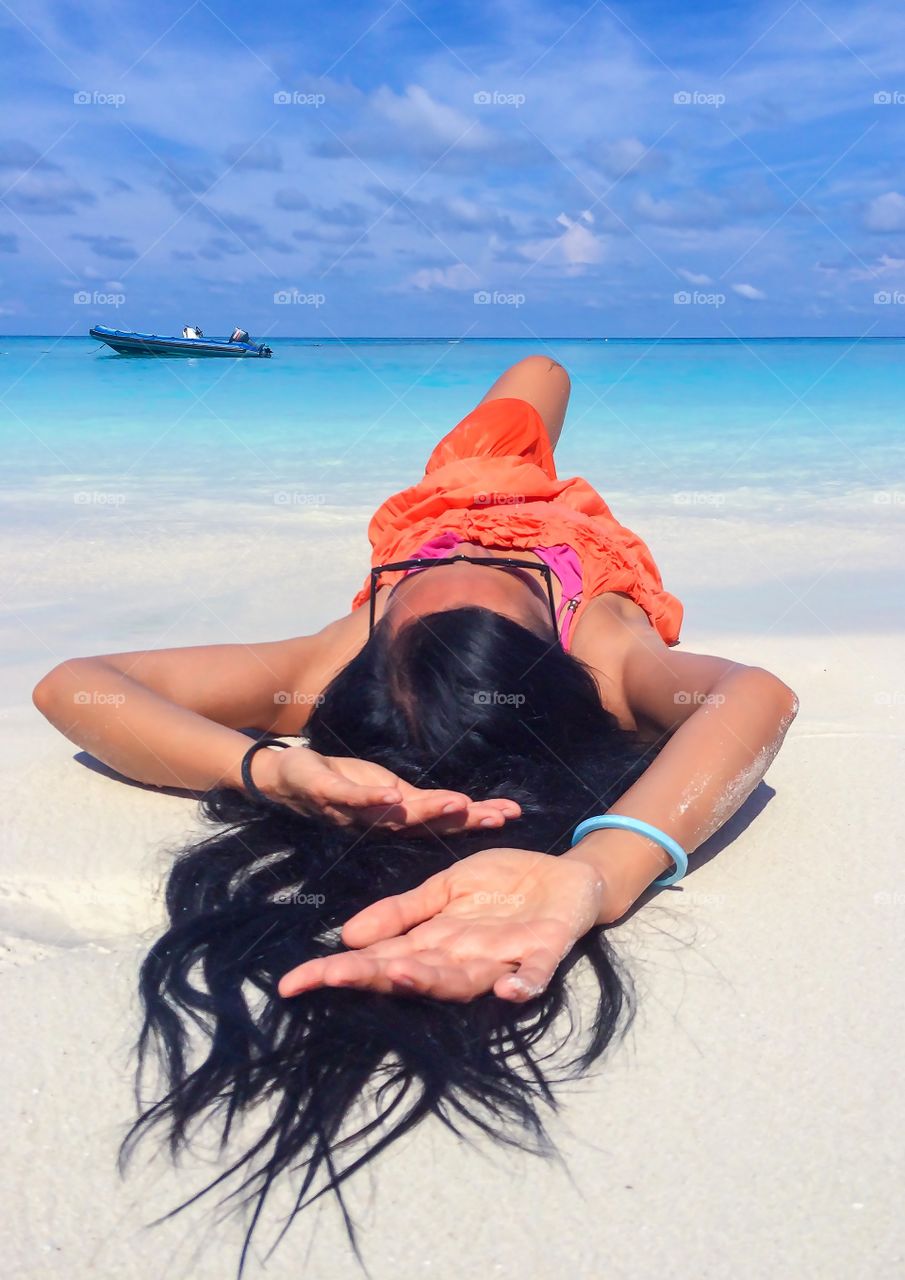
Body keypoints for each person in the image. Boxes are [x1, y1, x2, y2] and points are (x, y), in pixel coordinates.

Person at [32, 355, 798, 1265]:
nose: (470, 552)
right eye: (471, 584)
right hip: (531, 497)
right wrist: (599, 873)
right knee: (540, 370)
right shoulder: (598, 647)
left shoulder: (339, 656)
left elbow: (80, 687)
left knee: (530, 380)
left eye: (413, 600)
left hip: (454, 484)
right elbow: (754, 699)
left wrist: (268, 772)